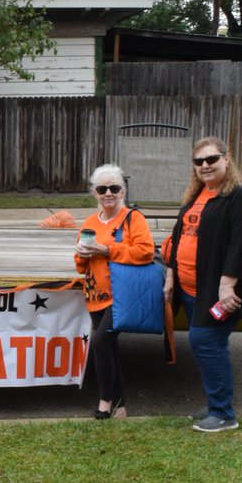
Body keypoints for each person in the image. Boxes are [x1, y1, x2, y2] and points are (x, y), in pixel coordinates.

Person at [163, 136, 242, 433]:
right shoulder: (197, 195)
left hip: (217, 292)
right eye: (199, 161)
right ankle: (216, 402)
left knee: (204, 342)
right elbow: (179, 237)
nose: (205, 165)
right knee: (212, 345)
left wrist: (227, 285)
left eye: (211, 159)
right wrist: (171, 274)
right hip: (190, 289)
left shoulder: (239, 198)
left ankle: (223, 413)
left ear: (226, 160)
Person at [74, 164, 155, 420]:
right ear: (94, 193)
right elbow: (80, 266)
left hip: (122, 296)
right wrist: (83, 254)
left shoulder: (133, 218)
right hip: (95, 294)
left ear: (122, 191)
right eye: (102, 189)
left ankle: (105, 401)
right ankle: (120, 406)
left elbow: (145, 252)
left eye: (114, 188)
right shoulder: (89, 223)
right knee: (109, 349)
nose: (108, 193)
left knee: (100, 342)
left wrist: (107, 249)